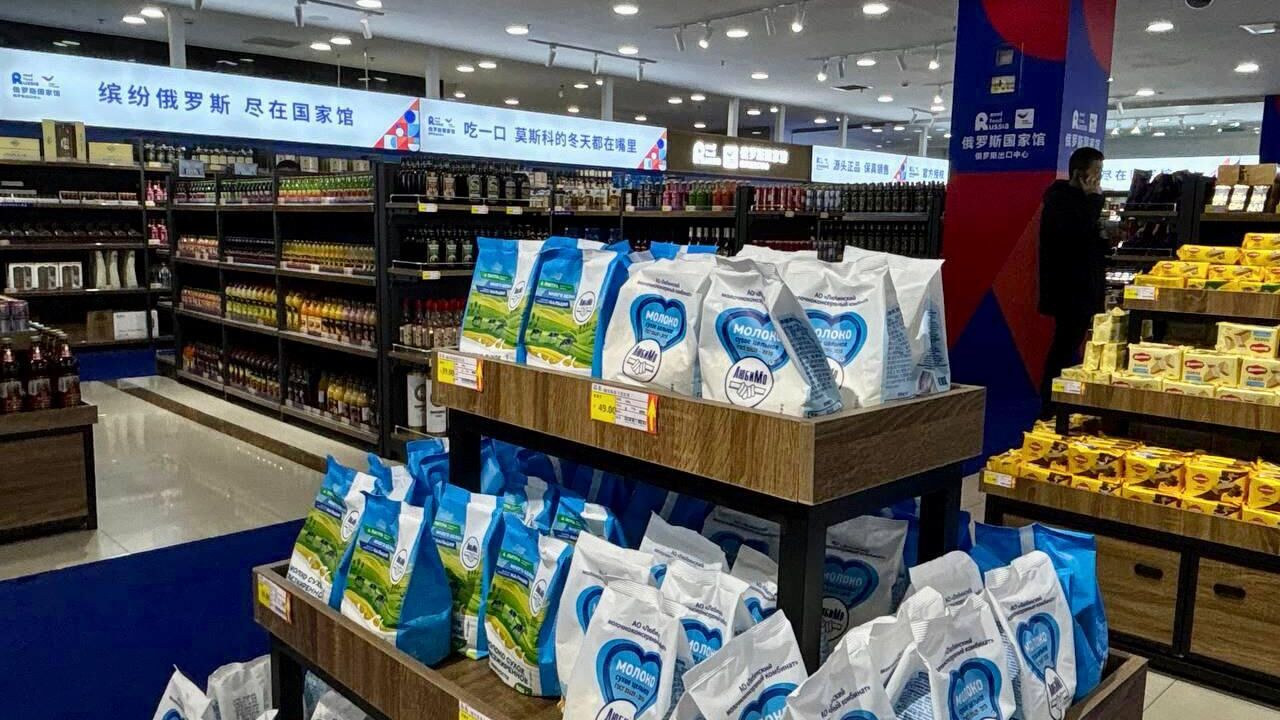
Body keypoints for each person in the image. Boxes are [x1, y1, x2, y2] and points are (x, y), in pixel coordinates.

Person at [1038, 146, 1107, 415]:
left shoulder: (1077, 201)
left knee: (1069, 344)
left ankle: (1060, 399)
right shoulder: (1062, 201)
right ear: (1080, 174)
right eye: (1096, 171)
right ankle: (1051, 402)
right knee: (1064, 346)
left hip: (1081, 288)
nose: (1099, 177)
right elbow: (1074, 235)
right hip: (1069, 290)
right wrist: (1094, 199)